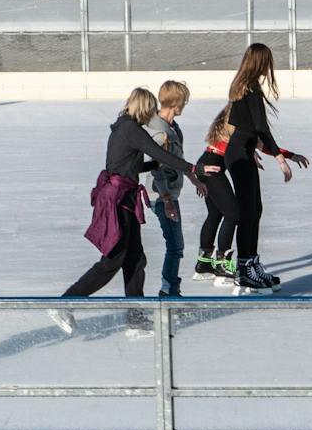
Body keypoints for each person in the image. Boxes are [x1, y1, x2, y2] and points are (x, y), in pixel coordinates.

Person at [54, 87, 206, 336]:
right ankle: (65, 302)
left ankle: (135, 320)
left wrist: (153, 164)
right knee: (112, 261)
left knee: (136, 259)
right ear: (143, 108)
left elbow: (130, 163)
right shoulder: (130, 129)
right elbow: (159, 153)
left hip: (125, 198)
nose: (151, 115)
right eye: (149, 110)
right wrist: (192, 168)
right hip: (117, 201)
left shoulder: (125, 128)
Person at [224, 43, 308, 292]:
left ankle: (251, 263)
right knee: (249, 211)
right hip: (240, 154)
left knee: (255, 209)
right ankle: (245, 268)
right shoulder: (250, 89)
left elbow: (249, 129)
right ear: (262, 62)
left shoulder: (244, 86)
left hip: (242, 152)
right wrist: (280, 158)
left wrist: (279, 154)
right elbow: (261, 128)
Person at [147, 80, 191, 297]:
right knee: (175, 245)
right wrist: (165, 199)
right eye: (185, 100)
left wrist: (195, 178)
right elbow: (156, 168)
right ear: (177, 102)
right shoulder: (159, 130)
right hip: (161, 195)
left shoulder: (174, 129)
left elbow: (178, 160)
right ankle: (169, 292)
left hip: (170, 193)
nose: (186, 104)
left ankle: (170, 290)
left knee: (176, 245)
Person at [194, 105, 241, 287]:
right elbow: (231, 148)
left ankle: (204, 264)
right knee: (233, 214)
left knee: (215, 214)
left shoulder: (225, 122)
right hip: (211, 168)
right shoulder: (233, 123)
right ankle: (222, 265)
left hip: (206, 164)